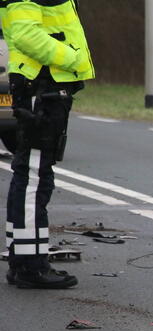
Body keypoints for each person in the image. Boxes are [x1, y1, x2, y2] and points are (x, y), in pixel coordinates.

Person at [2, 0, 94, 289]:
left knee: (30, 174)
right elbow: (25, 34)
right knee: (33, 177)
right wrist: (71, 58)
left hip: (43, 85)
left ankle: (22, 259)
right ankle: (31, 266)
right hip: (41, 85)